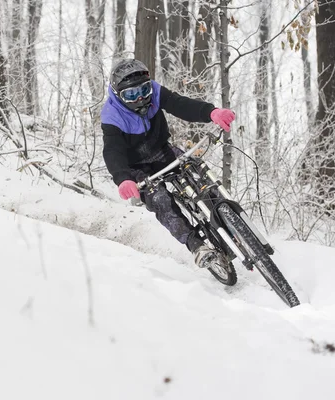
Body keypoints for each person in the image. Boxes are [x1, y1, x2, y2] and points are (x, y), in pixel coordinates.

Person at [101, 59, 236, 268]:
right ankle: (197, 246)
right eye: (131, 94)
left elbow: (180, 104)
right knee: (160, 199)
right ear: (118, 94)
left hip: (162, 150)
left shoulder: (154, 93)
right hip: (136, 168)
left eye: (144, 90)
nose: (140, 98)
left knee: (196, 171)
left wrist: (211, 112)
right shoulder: (112, 115)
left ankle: (229, 222)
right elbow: (112, 151)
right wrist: (123, 178)